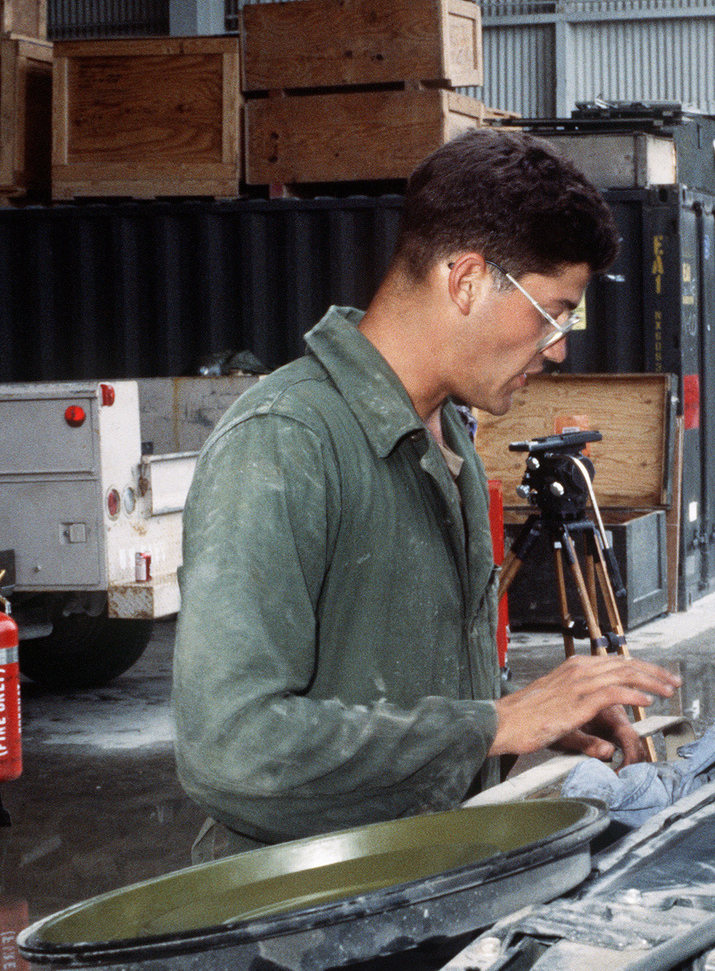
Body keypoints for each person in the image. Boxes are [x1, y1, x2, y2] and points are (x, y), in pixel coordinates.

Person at [172, 129, 681, 850]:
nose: (561, 346)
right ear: (466, 280)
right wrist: (493, 723)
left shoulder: (450, 443)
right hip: (302, 928)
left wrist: (516, 721)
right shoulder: (285, 443)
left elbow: (402, 697)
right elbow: (231, 748)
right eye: (552, 313)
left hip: (430, 891)